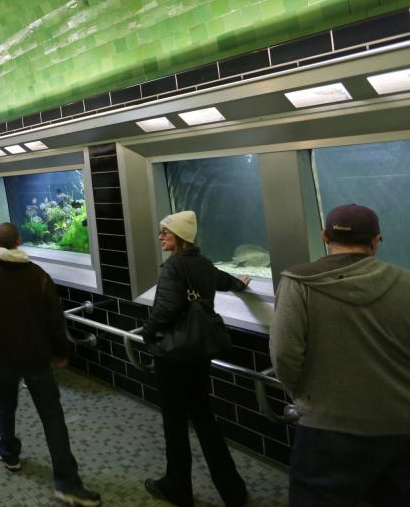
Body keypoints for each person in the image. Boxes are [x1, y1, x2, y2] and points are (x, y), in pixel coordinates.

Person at [270, 203, 410, 507]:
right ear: (375, 241)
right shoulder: (406, 282)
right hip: (400, 427)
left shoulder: (298, 282)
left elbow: (284, 357)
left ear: (324, 236)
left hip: (326, 430)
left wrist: (304, 395)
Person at [0, 222, 101, 507]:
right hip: (36, 359)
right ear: (18, 241)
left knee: (5, 407)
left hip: (1, 359)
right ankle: (67, 483)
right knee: (53, 418)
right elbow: (55, 320)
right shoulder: (39, 276)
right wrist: (61, 352)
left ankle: (9, 453)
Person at [140, 210, 248, 507]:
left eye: (164, 232)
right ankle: (233, 491)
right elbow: (223, 280)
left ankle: (177, 488)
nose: (160, 237)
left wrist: (147, 334)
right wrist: (241, 283)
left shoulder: (174, 266)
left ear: (178, 237)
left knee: (174, 425)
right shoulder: (203, 263)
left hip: (173, 356)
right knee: (205, 420)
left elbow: (165, 310)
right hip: (199, 354)